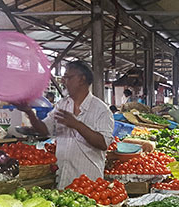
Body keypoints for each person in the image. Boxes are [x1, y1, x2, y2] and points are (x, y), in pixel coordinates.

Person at [17, 61, 114, 189]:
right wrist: (29, 112)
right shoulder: (62, 105)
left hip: (89, 182)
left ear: (81, 79)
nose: (63, 81)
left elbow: (102, 143)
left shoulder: (101, 110)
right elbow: (44, 129)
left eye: (68, 77)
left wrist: (76, 125)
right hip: (62, 178)